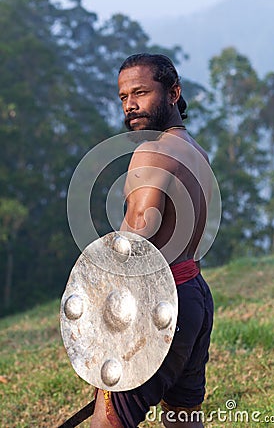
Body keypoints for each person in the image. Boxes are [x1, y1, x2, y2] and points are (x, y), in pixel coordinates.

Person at [90, 53, 214, 428]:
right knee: (182, 417)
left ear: (173, 93)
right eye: (124, 96)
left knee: (109, 420)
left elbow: (134, 243)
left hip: (157, 304)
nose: (130, 104)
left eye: (141, 92)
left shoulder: (151, 152)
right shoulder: (196, 152)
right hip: (194, 296)